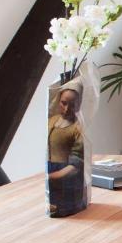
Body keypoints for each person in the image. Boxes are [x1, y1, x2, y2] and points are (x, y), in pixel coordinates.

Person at [47, 83, 85, 215]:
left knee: (65, 210)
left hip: (66, 176)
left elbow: (77, 163)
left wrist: (53, 176)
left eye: (72, 105)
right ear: (59, 101)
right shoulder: (51, 121)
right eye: (63, 103)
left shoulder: (77, 128)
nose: (67, 108)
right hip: (49, 170)